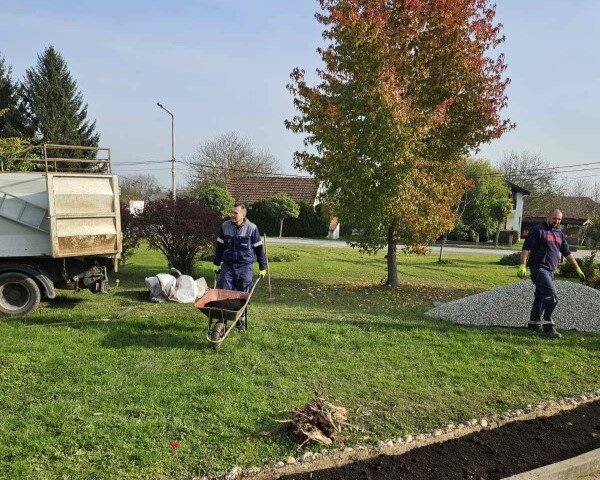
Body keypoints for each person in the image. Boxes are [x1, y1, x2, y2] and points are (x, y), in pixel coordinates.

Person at [517, 208, 585, 339]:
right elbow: (526, 248)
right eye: (554, 218)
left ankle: (534, 322)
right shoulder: (538, 230)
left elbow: (567, 254)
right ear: (548, 217)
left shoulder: (560, 233)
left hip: (550, 270)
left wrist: (577, 269)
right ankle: (548, 327)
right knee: (551, 297)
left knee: (541, 296)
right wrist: (522, 265)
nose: (557, 221)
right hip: (538, 269)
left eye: (559, 219)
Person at [213, 203, 267, 332]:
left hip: (245, 266)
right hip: (228, 266)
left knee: (242, 294)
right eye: (231, 212)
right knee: (224, 293)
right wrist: (216, 263)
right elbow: (219, 247)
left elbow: (259, 249)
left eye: (235, 213)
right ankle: (224, 319)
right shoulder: (225, 226)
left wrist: (262, 267)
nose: (232, 215)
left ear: (243, 215)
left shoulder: (252, 228)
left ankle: (240, 320)